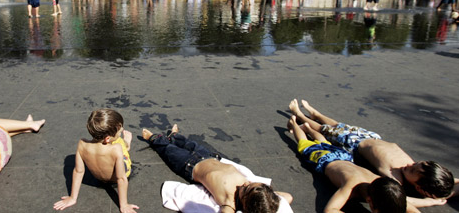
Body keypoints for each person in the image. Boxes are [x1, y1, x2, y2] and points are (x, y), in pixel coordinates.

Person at [288, 99, 458, 207]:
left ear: (418, 187)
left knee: (323, 131)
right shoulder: (416, 172)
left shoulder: (393, 178)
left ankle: (300, 117)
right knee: (337, 125)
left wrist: (428, 202)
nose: (411, 164)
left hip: (351, 146)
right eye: (416, 163)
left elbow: (401, 200)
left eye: (413, 170)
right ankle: (315, 114)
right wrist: (448, 189)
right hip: (369, 138)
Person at [142, 125, 294, 213]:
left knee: (169, 150)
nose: (246, 183)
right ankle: (175, 136)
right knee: (190, 144)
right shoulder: (256, 194)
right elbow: (287, 197)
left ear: (245, 205)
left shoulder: (229, 202)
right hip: (210, 157)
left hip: (190, 165)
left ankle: (154, 139)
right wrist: (268, 200)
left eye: (246, 189)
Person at [284, 114, 410, 213]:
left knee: (324, 143)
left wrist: (427, 201)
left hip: (345, 157)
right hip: (326, 159)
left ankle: (307, 127)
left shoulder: (382, 184)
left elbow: (406, 204)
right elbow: (330, 210)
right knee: (304, 144)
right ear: (369, 201)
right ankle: (294, 124)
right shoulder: (351, 186)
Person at [53, 109, 138, 213]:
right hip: (116, 177)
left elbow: (78, 171)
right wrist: (124, 205)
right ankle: (127, 144)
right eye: (119, 131)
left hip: (99, 178)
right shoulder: (116, 148)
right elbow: (121, 178)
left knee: (116, 142)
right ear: (107, 139)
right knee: (119, 143)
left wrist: (72, 198)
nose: (122, 130)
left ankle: (121, 142)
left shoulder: (82, 144)